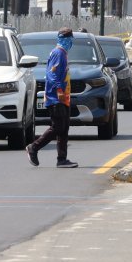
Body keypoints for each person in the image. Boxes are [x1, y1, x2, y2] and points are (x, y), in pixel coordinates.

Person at [26, 27, 78, 168]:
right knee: (58, 127)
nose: (70, 42)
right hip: (56, 97)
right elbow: (51, 74)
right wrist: (59, 90)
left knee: (64, 129)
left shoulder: (63, 53)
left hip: (63, 97)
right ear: (64, 39)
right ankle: (34, 147)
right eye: (69, 39)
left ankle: (62, 159)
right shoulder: (58, 53)